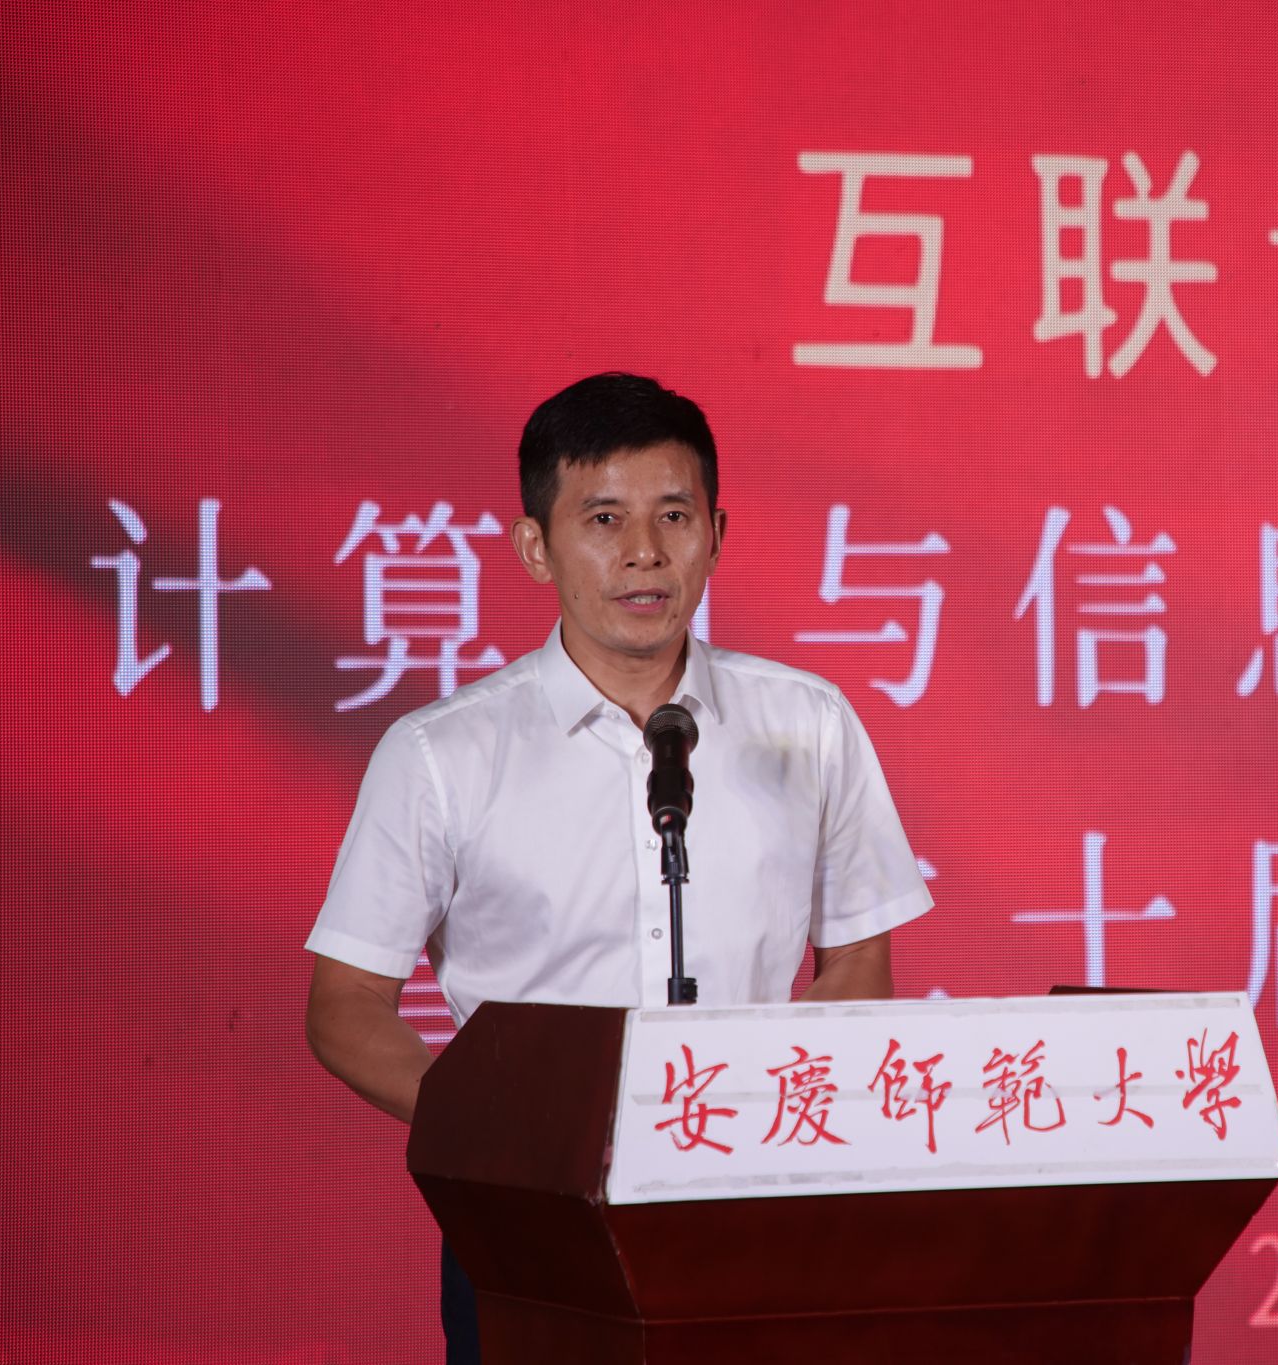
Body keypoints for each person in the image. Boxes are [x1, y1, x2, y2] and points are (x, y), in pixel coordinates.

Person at [302, 371, 933, 1363]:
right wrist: (498, 1130)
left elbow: (857, 962)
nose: (644, 552)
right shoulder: (441, 754)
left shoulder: (807, 725)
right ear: (535, 546)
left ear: (716, 535)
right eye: (603, 518)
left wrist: (773, 1116)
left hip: (752, 1203)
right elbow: (344, 1002)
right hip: (527, 1215)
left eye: (674, 516)